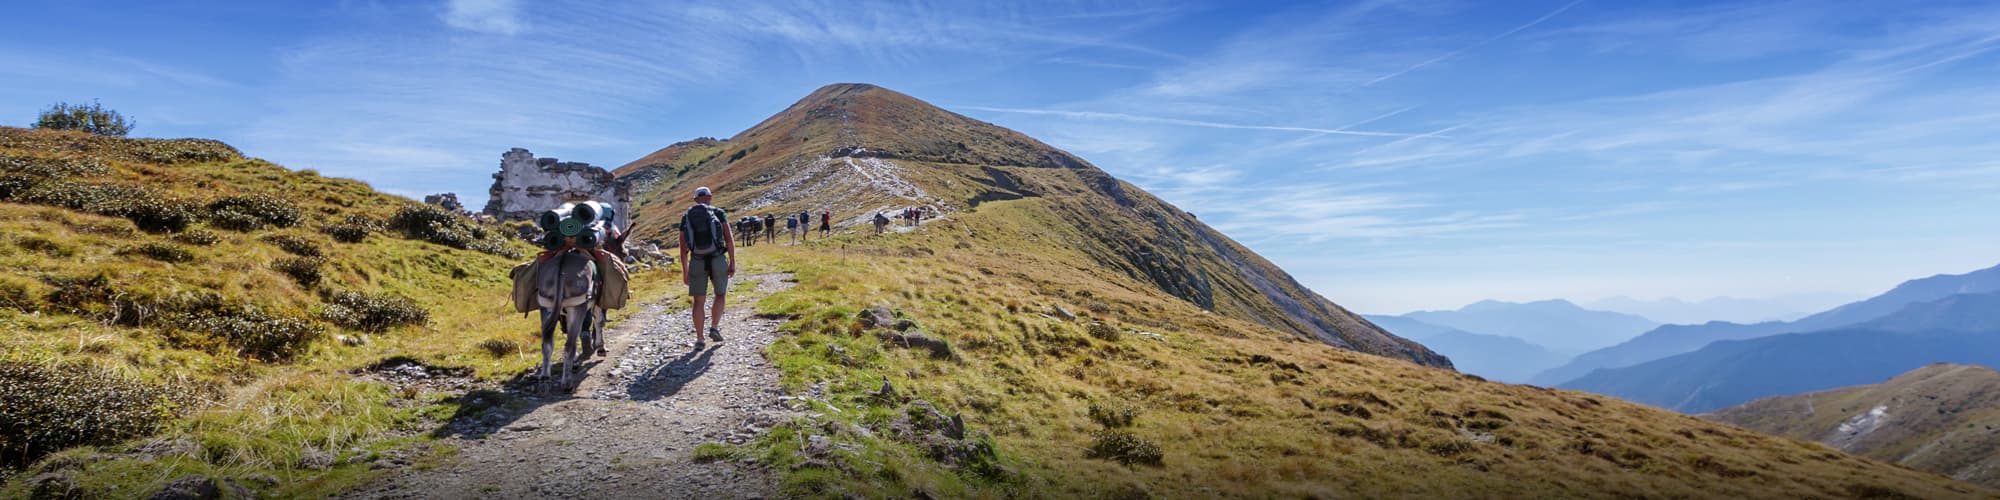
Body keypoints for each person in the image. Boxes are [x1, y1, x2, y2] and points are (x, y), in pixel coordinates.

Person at [679, 186, 734, 346]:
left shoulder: (687, 216)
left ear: (695, 200)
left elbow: (683, 249)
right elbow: (729, 239)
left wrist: (685, 271)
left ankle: (699, 338)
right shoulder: (719, 213)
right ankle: (714, 327)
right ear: (710, 197)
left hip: (697, 260)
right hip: (717, 257)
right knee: (720, 294)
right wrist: (732, 261)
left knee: (698, 301)